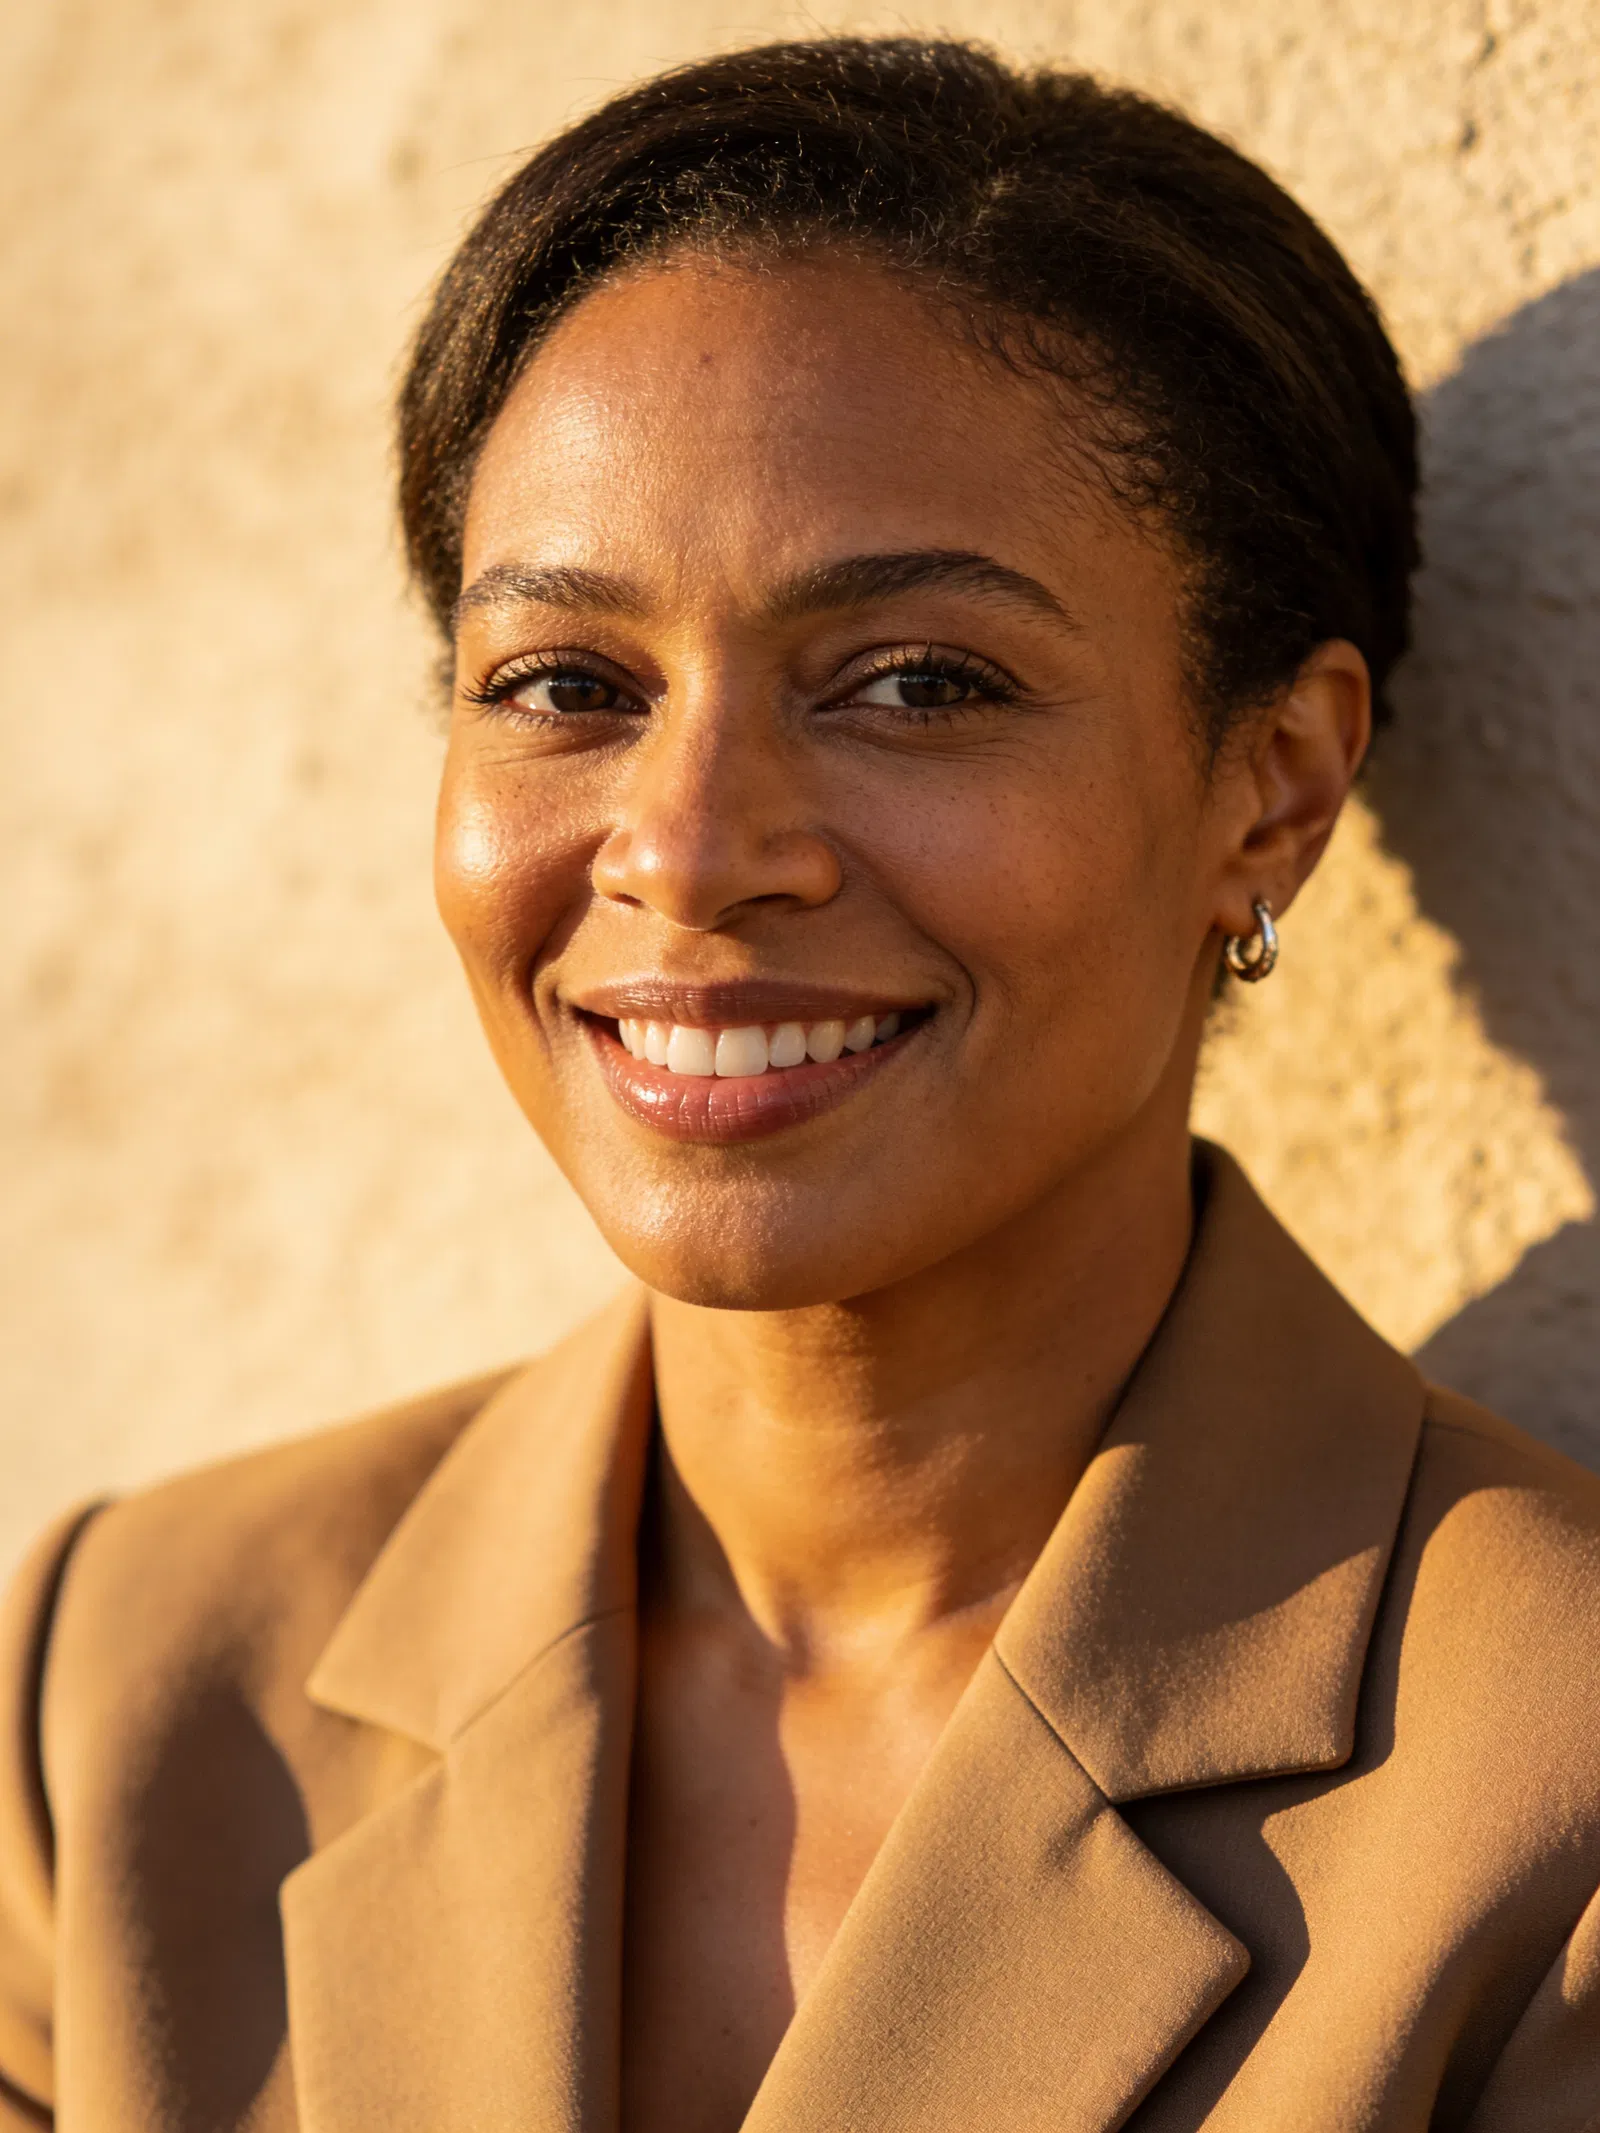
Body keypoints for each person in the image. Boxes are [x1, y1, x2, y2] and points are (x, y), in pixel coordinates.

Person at [2, 35, 1596, 2133]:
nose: (686, 841)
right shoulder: (127, 1692)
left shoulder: (1547, 1788)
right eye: (565, 683)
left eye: (916, 682)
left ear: (1266, 787)